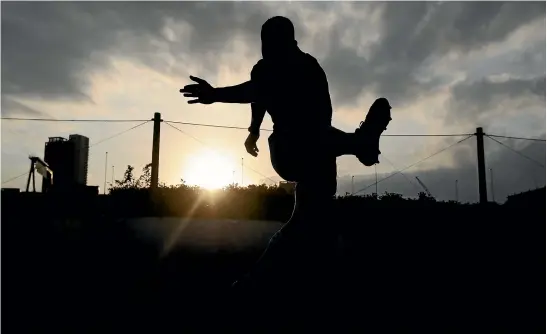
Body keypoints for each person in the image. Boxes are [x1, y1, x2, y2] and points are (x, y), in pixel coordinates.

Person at [180, 16, 392, 293]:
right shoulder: (282, 68)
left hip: (310, 152)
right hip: (299, 149)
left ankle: (263, 282)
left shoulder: (302, 68)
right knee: (312, 211)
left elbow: (260, 90)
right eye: (264, 45)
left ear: (286, 43)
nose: (265, 51)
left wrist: (217, 95)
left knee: (310, 220)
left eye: (269, 45)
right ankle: (358, 144)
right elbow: (260, 95)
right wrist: (254, 129)